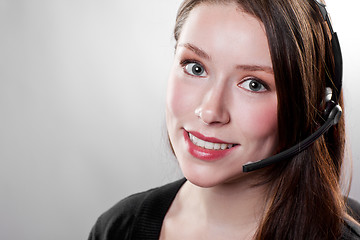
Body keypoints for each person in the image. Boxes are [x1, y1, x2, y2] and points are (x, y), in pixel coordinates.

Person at [88, 0, 360, 239]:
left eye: (254, 84)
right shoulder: (118, 228)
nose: (210, 112)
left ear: (315, 107)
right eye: (195, 68)